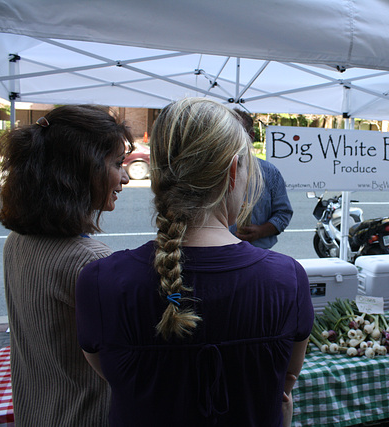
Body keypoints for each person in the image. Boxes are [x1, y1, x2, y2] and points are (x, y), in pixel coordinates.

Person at [75, 98, 314, 426]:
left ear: (159, 174)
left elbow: (115, 377)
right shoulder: (287, 279)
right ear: (233, 172)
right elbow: (285, 380)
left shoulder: (100, 280)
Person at [0, 105, 133, 426]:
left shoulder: (17, 240)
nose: (125, 177)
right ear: (81, 171)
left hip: (36, 412)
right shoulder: (90, 260)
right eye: (116, 164)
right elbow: (126, 362)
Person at [230, 108, 293, 249]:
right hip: (217, 255)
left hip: (258, 253)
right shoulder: (208, 171)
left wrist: (261, 231)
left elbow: (283, 213)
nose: (230, 139)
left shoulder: (269, 173)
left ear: (251, 136)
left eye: (237, 134)